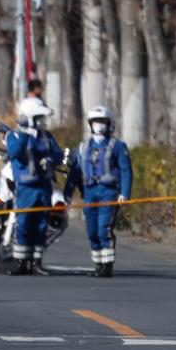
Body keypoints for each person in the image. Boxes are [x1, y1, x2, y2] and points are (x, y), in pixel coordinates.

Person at [64, 105, 133, 277]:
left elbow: (126, 171)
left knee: (104, 229)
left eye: (102, 121)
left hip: (108, 193)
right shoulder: (85, 147)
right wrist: (68, 192)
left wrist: (124, 193)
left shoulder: (118, 146)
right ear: (90, 124)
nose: (99, 125)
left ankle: (107, 264)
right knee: (92, 231)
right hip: (89, 193)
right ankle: (97, 263)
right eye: (95, 121)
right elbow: (75, 172)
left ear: (109, 123)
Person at [4, 96, 64, 275]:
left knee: (41, 225)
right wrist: (24, 132)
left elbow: (59, 154)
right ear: (29, 118)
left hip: (43, 186)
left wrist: (50, 160)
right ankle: (21, 262)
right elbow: (14, 152)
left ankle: (36, 262)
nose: (42, 122)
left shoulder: (46, 136)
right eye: (38, 118)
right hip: (25, 188)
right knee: (23, 224)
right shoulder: (14, 135)